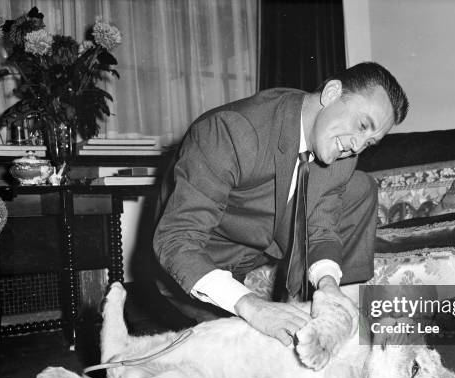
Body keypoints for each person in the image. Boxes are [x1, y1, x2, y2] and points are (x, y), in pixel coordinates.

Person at [153, 62, 409, 346]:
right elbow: (176, 240)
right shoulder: (230, 131)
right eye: (362, 126)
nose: (358, 147)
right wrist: (251, 305)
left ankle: (339, 311)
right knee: (245, 364)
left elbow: (321, 228)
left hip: (259, 246)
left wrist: (328, 285)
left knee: (360, 187)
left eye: (370, 142)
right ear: (332, 92)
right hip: (200, 262)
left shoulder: (342, 154)